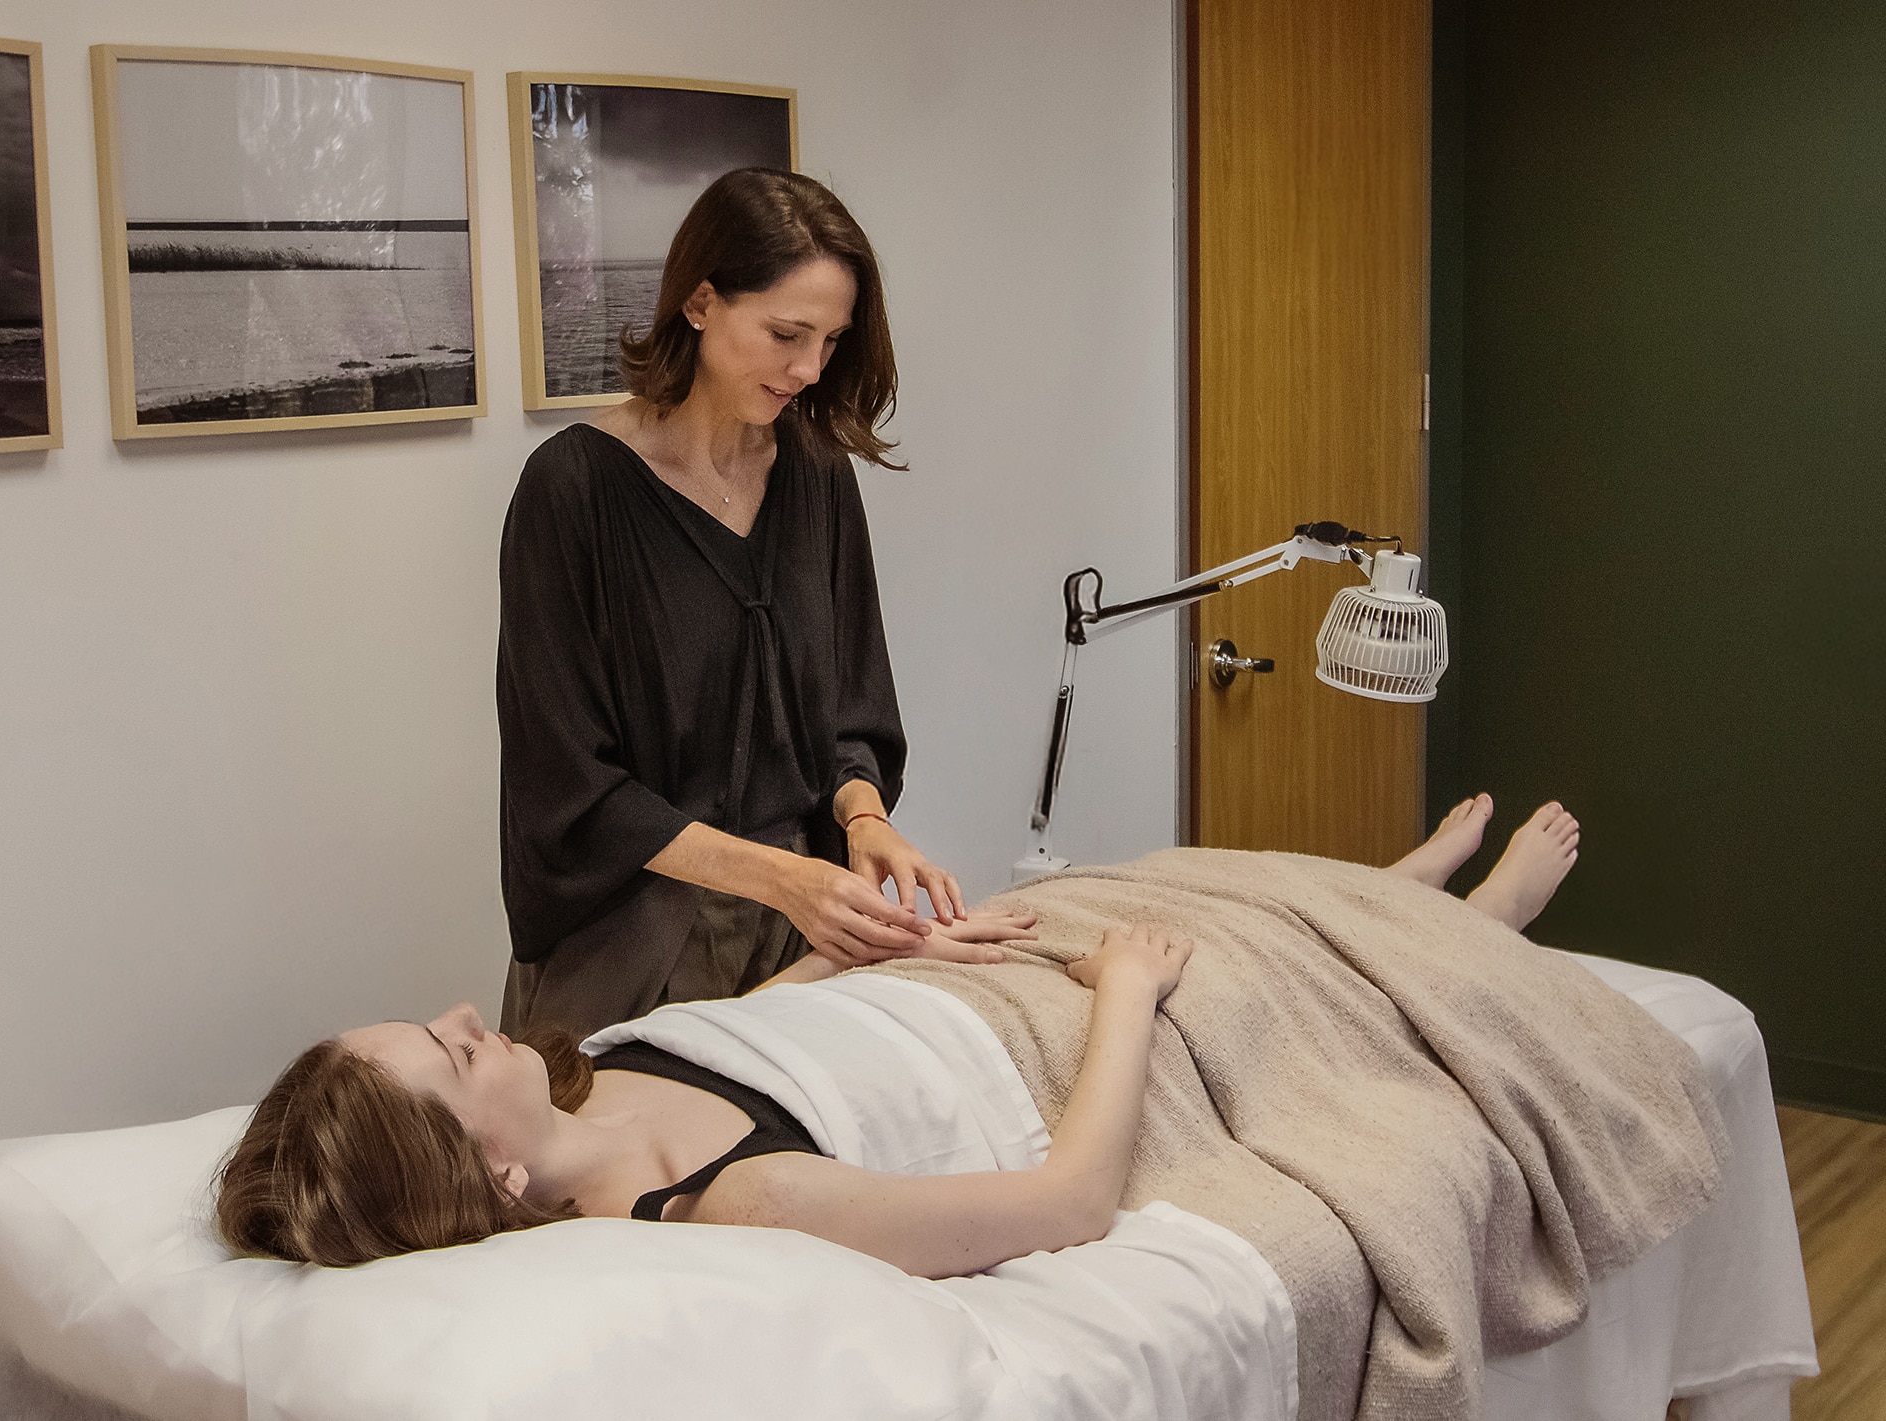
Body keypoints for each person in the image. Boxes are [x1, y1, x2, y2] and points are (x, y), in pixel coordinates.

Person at [216, 799, 1583, 1277]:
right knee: (1220, 966)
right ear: (493, 1182)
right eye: (453, 1055)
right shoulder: (722, 1206)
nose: (469, 1018)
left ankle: (1392, 898)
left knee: (1169, 879)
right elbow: (1064, 1203)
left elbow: (764, 1032)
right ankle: (1471, 924)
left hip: (947, 981)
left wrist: (878, 934)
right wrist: (1120, 1002)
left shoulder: (600, 1065)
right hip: (1033, 1044)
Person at [497, 168, 964, 1042]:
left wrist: (865, 818)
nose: (809, 368)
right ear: (702, 301)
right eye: (786, 333)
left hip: (805, 931)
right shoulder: (572, 491)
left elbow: (853, 711)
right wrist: (777, 876)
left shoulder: (818, 475)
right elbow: (569, 786)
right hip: (632, 943)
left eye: (831, 339)